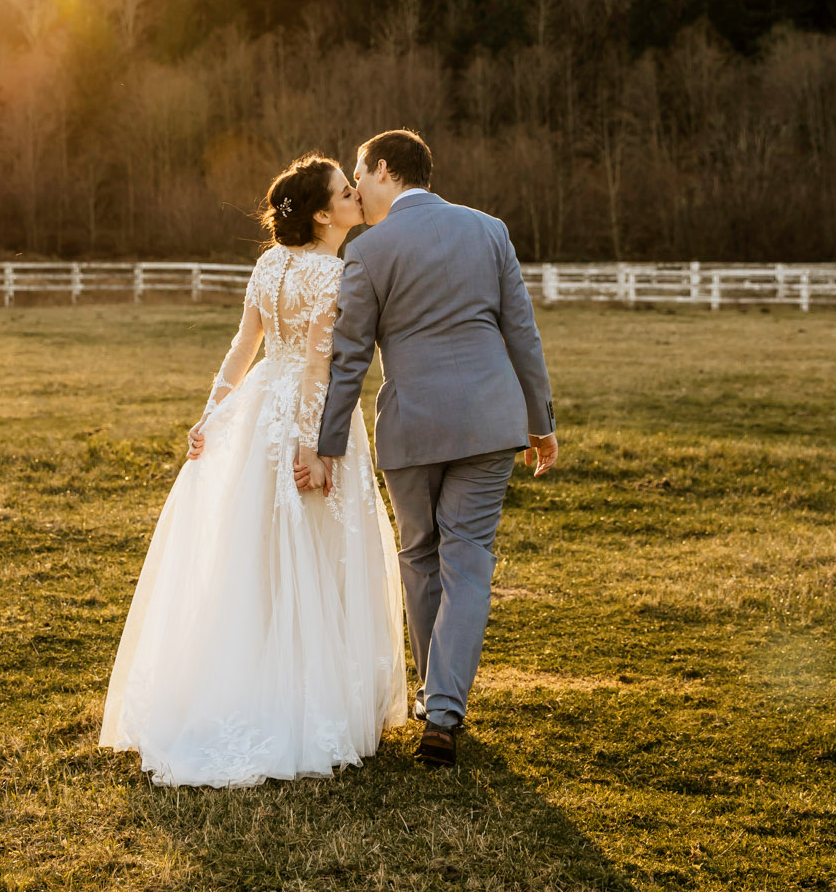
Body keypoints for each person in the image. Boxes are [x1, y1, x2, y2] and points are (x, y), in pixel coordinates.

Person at [99, 154, 406, 787]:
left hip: (259, 407)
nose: (357, 198)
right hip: (306, 421)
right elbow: (320, 369)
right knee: (312, 552)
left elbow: (245, 346)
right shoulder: (335, 274)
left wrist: (214, 412)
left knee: (259, 554)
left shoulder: (268, 265)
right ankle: (299, 697)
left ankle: (254, 677)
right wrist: (311, 448)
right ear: (324, 213)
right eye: (347, 193)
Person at [308, 128, 558, 769]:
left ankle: (436, 699)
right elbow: (521, 332)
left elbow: (350, 356)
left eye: (360, 172)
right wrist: (541, 420)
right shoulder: (489, 230)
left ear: (384, 169)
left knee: (420, 555)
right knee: (469, 557)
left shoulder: (370, 249)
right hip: (490, 421)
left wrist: (329, 441)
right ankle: (444, 708)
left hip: (413, 427)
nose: (356, 186)